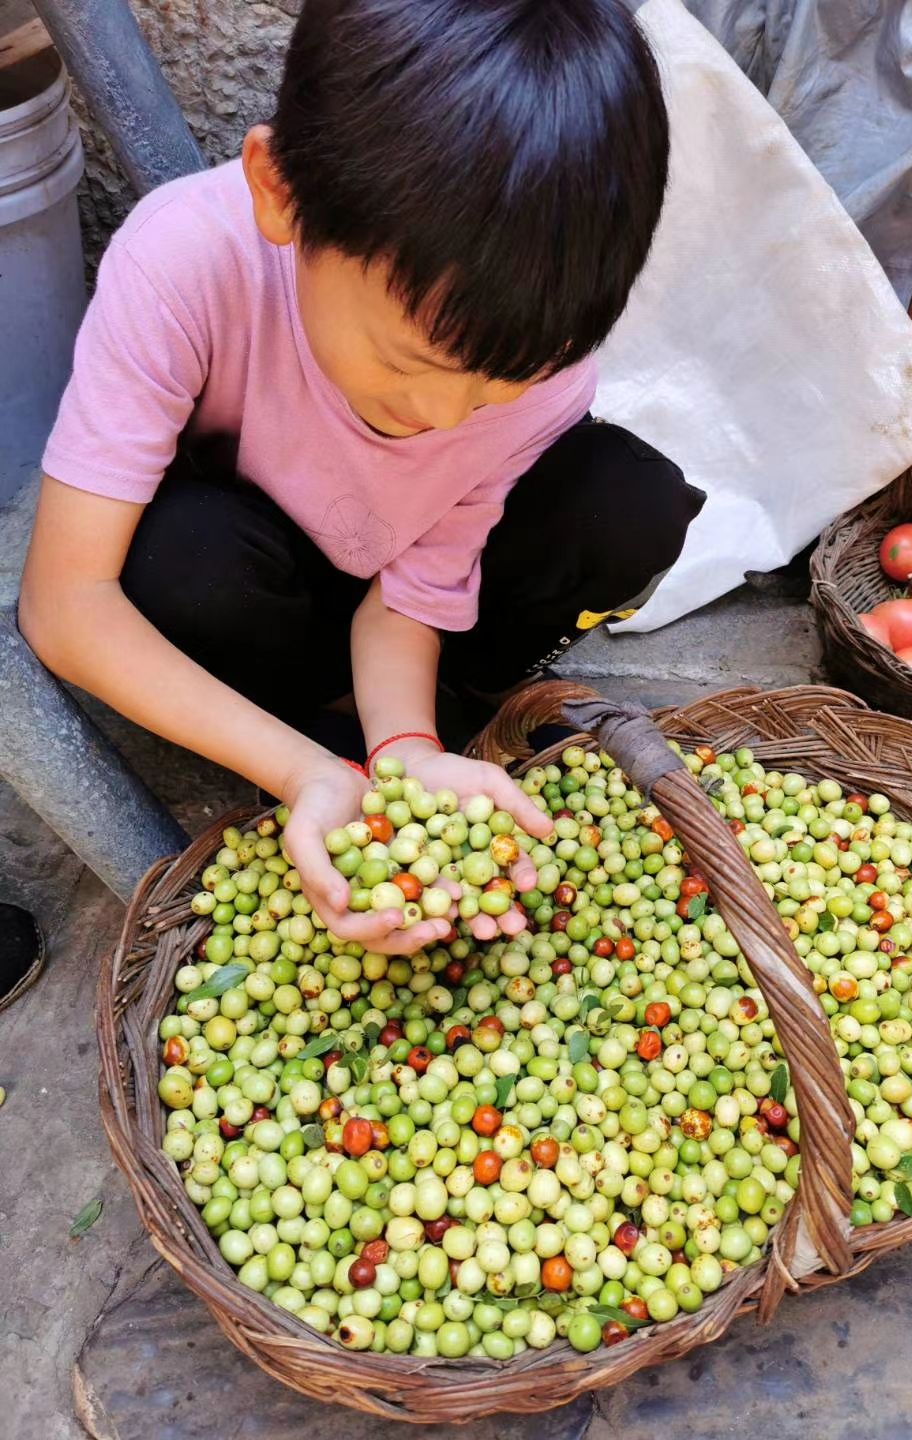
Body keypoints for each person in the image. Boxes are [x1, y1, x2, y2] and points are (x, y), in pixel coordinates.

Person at [19, 0, 702, 960]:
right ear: (280, 195)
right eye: (410, 364)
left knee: (628, 503)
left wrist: (402, 752)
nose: (443, 419)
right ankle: (321, 728)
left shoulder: (539, 374)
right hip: (273, 579)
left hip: (399, 588)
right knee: (182, 562)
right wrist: (307, 773)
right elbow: (64, 605)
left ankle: (421, 720)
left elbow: (418, 585)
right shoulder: (179, 262)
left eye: (504, 384)